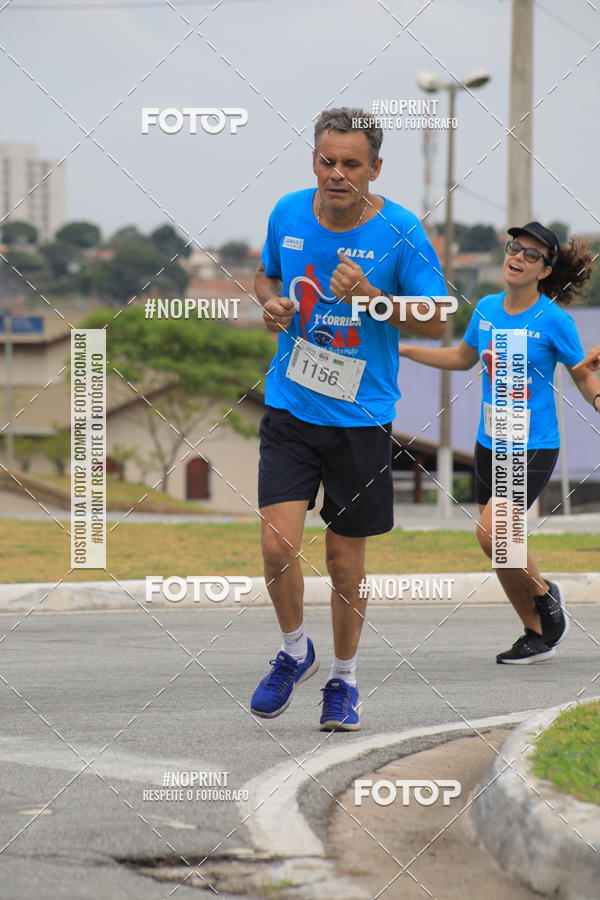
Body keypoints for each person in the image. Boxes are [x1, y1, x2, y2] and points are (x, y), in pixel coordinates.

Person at [251, 107, 448, 729]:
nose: (336, 174)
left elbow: (439, 319)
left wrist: (370, 297)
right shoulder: (287, 212)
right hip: (291, 405)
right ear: (314, 160)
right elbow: (265, 275)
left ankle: (344, 678)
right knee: (276, 543)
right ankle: (293, 651)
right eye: (325, 161)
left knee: (344, 562)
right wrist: (272, 304)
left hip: (362, 420)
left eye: (351, 164)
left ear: (376, 168)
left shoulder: (402, 229)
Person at [400, 222, 600, 664]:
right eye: (515, 248)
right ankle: (536, 633)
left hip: (532, 445)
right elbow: (463, 357)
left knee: (495, 535)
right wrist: (407, 350)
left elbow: (583, 371)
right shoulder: (487, 308)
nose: (518, 257)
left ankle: (546, 598)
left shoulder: (553, 320)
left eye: (532, 255)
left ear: (545, 271)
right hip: (489, 443)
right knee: (502, 546)